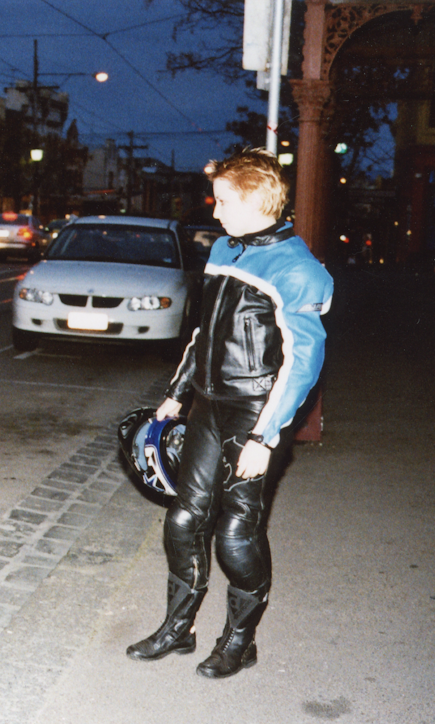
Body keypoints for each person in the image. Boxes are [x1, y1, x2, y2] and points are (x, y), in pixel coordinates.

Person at [126, 148, 334, 678]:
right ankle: (179, 629)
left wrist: (265, 438)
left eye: (222, 201)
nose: (214, 212)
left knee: (236, 533)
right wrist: (176, 393)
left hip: (254, 413)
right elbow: (202, 333)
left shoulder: (298, 268)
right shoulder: (223, 248)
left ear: (255, 200)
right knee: (182, 518)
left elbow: (304, 361)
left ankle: (240, 640)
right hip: (208, 407)